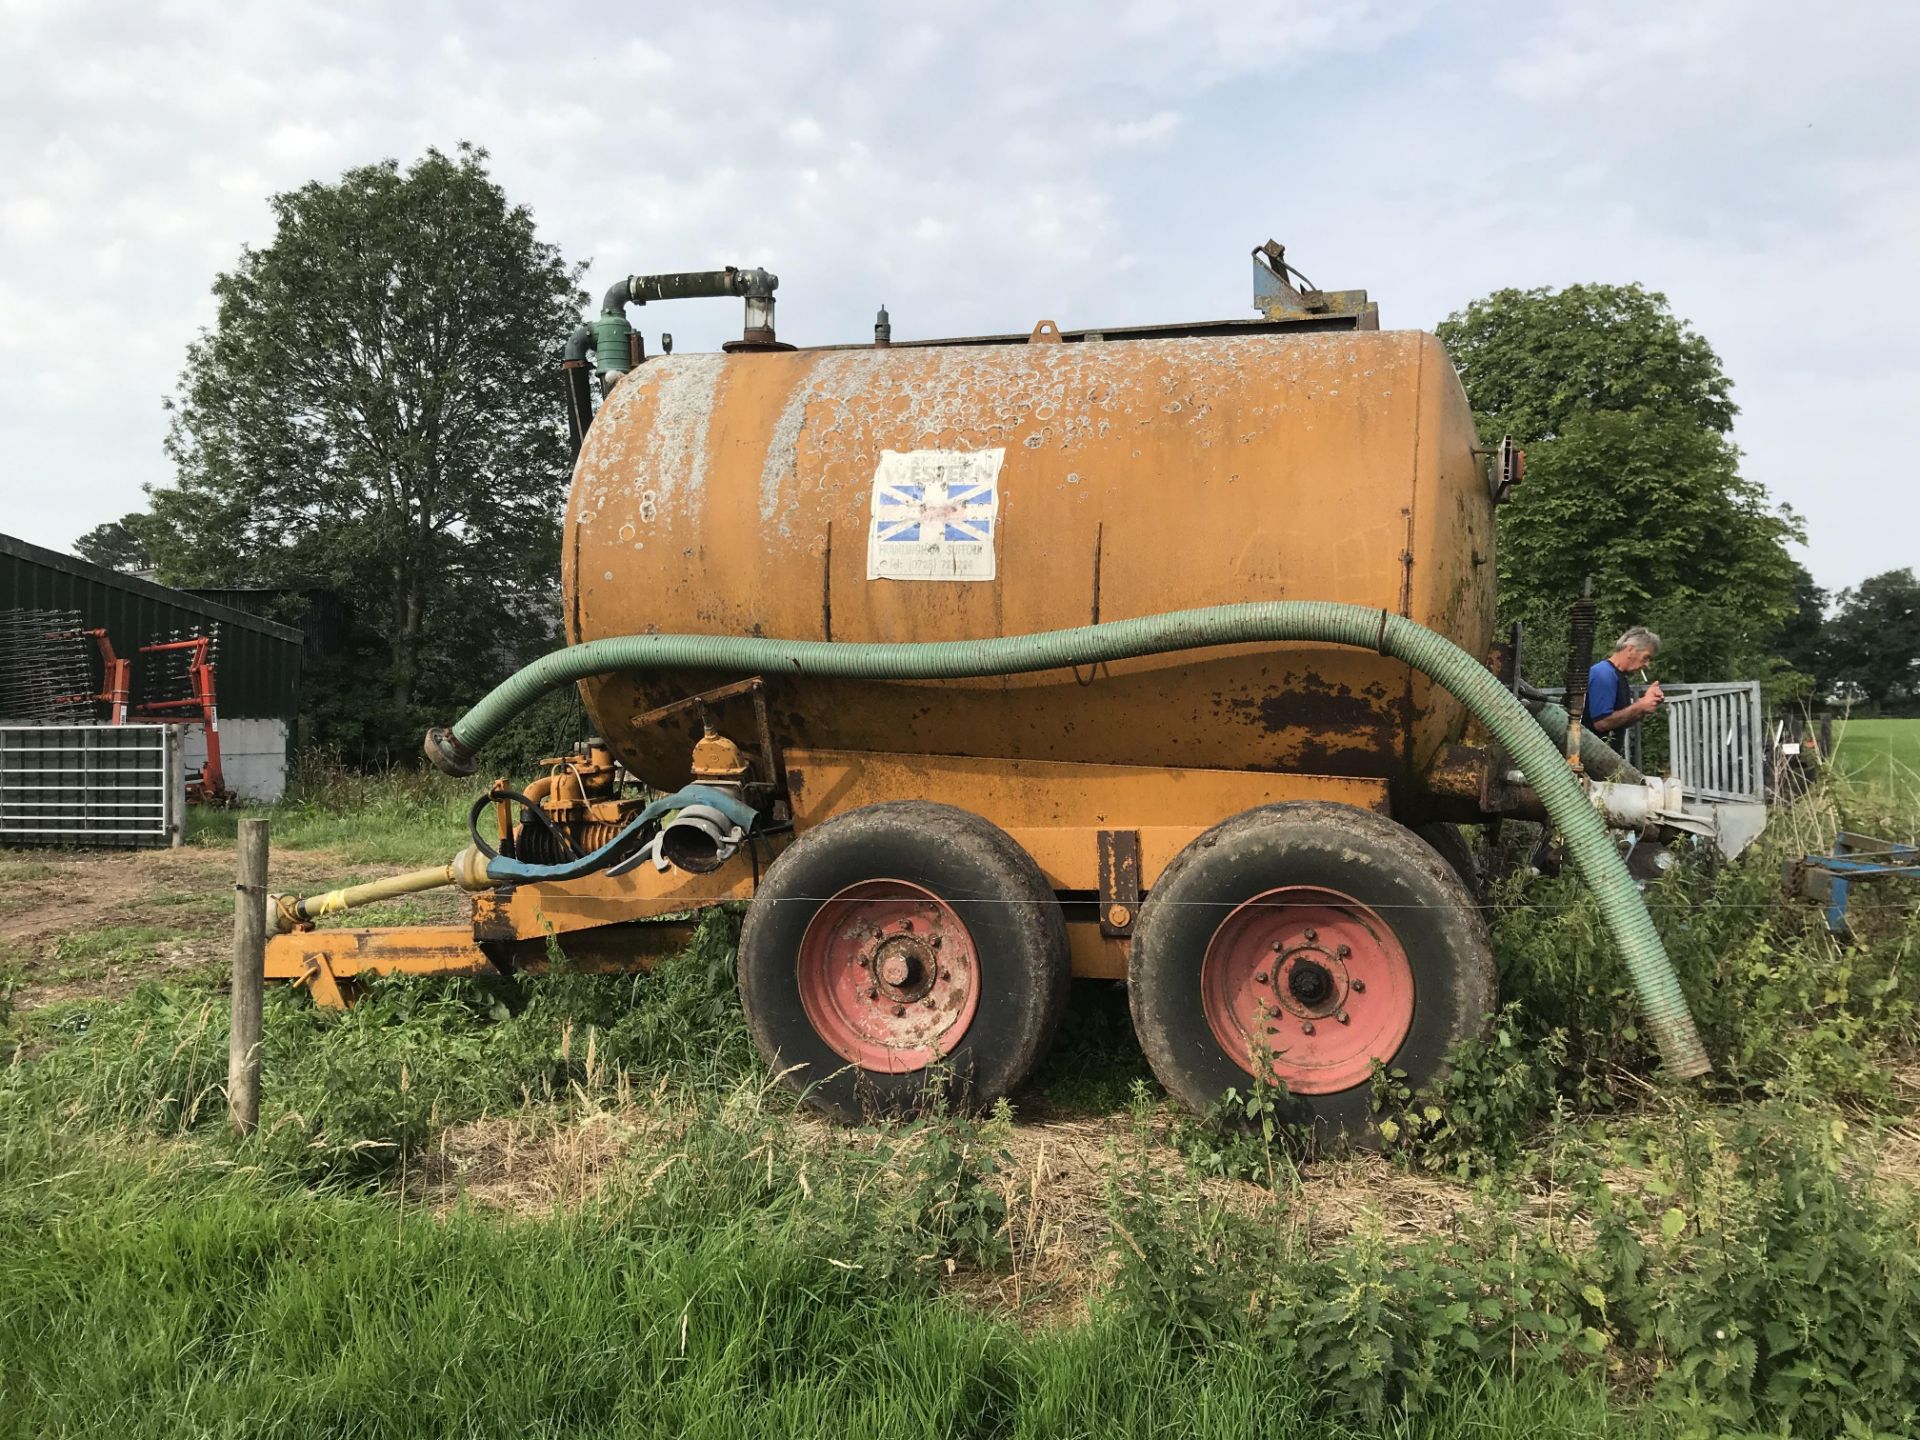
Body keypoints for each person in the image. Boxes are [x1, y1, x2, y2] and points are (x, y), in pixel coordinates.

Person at [1583, 626, 1664, 753]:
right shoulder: (1604, 674)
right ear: (1631, 650)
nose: (1647, 664)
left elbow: (1620, 721)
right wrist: (1640, 706)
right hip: (1590, 757)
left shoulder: (1618, 676)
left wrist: (1645, 707)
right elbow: (1602, 722)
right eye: (1646, 657)